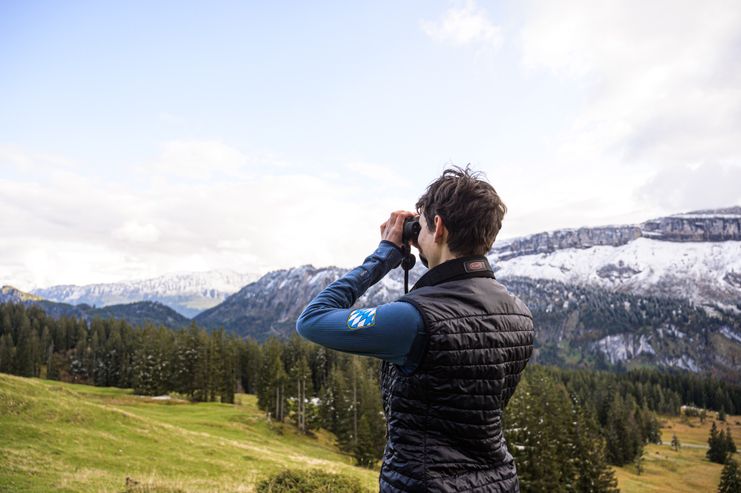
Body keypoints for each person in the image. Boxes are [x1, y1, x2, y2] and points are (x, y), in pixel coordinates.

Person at [296, 166, 534, 492]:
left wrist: (383, 255)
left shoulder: (414, 320)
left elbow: (312, 320)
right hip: (499, 482)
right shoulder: (519, 314)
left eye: (419, 226)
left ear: (438, 227)